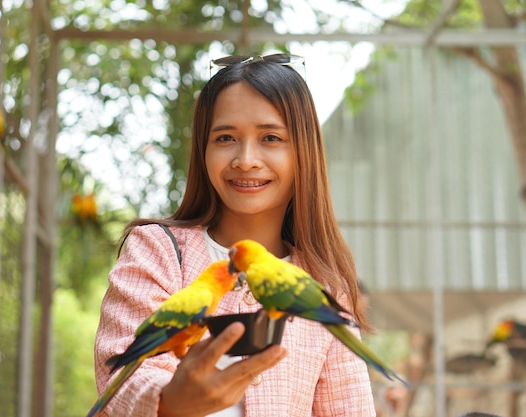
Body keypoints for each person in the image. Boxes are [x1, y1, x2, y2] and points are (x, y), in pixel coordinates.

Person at [94, 53, 376, 416]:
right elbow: (124, 375)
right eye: (225, 137)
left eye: (271, 137)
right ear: (203, 149)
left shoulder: (325, 287)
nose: (245, 159)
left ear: (304, 153)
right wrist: (170, 401)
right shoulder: (157, 251)